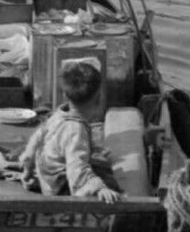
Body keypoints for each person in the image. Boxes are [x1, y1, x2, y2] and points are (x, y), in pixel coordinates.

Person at [27, 58, 120, 203]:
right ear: (99, 96)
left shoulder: (60, 113)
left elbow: (35, 140)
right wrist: (100, 188)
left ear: (65, 95)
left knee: (99, 162)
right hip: (58, 187)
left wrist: (28, 166)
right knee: (110, 182)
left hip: (46, 173)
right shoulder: (75, 131)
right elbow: (77, 169)